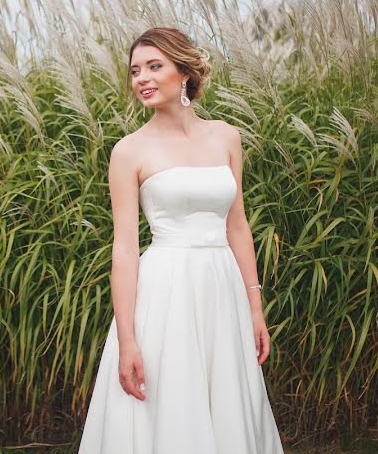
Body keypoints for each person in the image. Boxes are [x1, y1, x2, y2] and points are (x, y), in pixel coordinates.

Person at [77, 27, 285, 453]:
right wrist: (128, 337)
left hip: (221, 289)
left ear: (185, 72)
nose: (142, 79)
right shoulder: (129, 151)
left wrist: (255, 306)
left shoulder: (226, 136)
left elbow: (237, 226)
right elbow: (124, 248)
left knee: (225, 402)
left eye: (155, 66)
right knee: (170, 404)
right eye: (135, 70)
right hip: (165, 292)